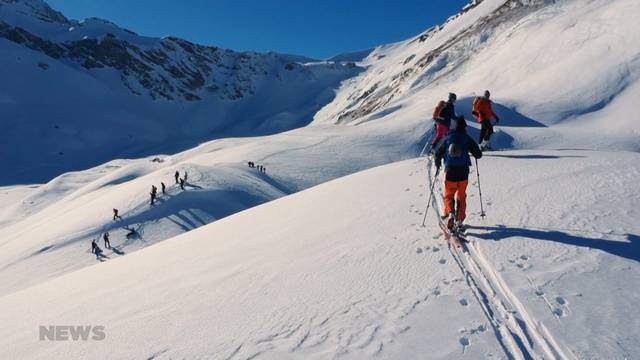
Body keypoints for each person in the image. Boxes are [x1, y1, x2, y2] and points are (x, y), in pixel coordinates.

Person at [434, 115, 482, 230]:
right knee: (461, 195)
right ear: (464, 127)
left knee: (449, 194)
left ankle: (450, 213)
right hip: (463, 172)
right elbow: (478, 154)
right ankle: (459, 219)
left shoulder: (447, 137)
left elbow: (437, 153)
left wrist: (438, 164)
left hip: (450, 171)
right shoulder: (466, 138)